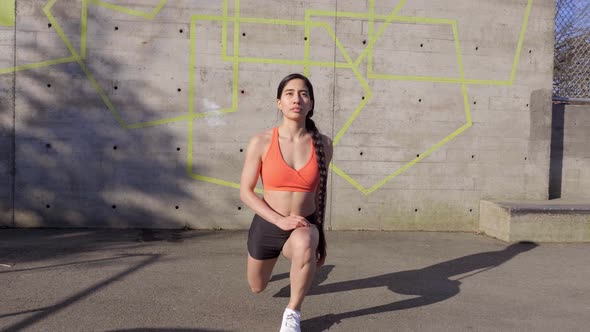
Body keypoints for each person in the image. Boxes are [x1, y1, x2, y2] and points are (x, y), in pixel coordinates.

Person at [240, 73, 333, 332]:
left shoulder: (324, 144)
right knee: (257, 286)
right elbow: (246, 192)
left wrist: (320, 237)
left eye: (303, 94)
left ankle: (292, 313)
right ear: (278, 102)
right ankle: (290, 267)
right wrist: (279, 220)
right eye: (289, 93)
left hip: (303, 225)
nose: (297, 99)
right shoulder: (261, 141)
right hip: (270, 224)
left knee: (305, 241)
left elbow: (320, 194)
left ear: (311, 103)